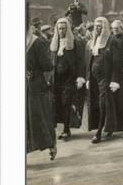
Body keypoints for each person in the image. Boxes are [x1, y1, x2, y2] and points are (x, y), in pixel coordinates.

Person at [86, 17, 123, 143]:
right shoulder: (93, 41)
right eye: (96, 26)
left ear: (105, 27)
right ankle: (107, 126)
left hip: (105, 78)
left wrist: (115, 80)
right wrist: (87, 77)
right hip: (94, 78)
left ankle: (99, 132)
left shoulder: (112, 41)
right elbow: (90, 61)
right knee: (96, 102)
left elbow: (117, 63)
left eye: (100, 26)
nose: (97, 28)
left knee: (103, 103)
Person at [50, 17, 86, 141]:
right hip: (57, 79)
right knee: (58, 103)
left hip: (69, 78)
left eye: (64, 28)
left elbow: (81, 61)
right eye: (59, 28)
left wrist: (80, 77)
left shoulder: (76, 42)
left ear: (68, 29)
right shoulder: (54, 42)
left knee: (66, 102)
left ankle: (66, 129)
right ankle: (62, 128)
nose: (61, 31)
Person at [26, 26, 57, 161]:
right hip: (29, 84)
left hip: (34, 86)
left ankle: (50, 144)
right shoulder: (35, 42)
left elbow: (48, 65)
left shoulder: (36, 42)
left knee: (38, 115)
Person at [110, 20, 123, 130]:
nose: (115, 30)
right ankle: (116, 122)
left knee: (121, 97)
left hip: (122, 71)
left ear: (121, 28)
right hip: (113, 70)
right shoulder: (111, 38)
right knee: (114, 97)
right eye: (113, 29)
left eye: (117, 28)